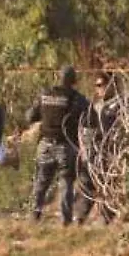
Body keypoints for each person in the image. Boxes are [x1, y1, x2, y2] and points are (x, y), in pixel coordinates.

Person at [27, 66, 90, 224]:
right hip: (65, 146)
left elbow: (30, 116)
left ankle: (34, 216)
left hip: (45, 144)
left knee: (41, 181)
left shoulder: (45, 94)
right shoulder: (77, 98)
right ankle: (65, 221)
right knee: (66, 183)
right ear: (73, 81)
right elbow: (91, 119)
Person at [77, 72, 125, 225]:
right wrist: (84, 148)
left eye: (101, 85)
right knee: (89, 186)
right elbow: (84, 127)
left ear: (111, 85)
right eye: (96, 85)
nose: (98, 89)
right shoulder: (95, 106)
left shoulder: (120, 104)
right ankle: (80, 219)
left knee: (109, 186)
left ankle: (106, 220)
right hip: (95, 152)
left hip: (114, 152)